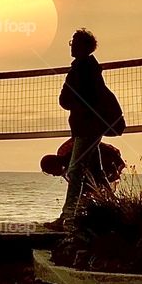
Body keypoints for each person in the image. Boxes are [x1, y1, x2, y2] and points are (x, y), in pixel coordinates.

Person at [56, 28, 112, 231]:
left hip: (86, 127)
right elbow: (68, 98)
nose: (71, 46)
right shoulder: (87, 69)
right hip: (89, 126)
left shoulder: (82, 70)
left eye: (74, 42)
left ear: (82, 46)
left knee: (75, 171)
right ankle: (115, 207)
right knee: (97, 171)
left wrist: (72, 101)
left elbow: (67, 99)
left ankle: (68, 218)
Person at [41, 138, 125, 191]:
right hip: (103, 157)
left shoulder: (72, 162)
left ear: (54, 164)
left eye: (51, 172)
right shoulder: (64, 155)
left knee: (98, 185)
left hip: (106, 157)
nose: (54, 175)